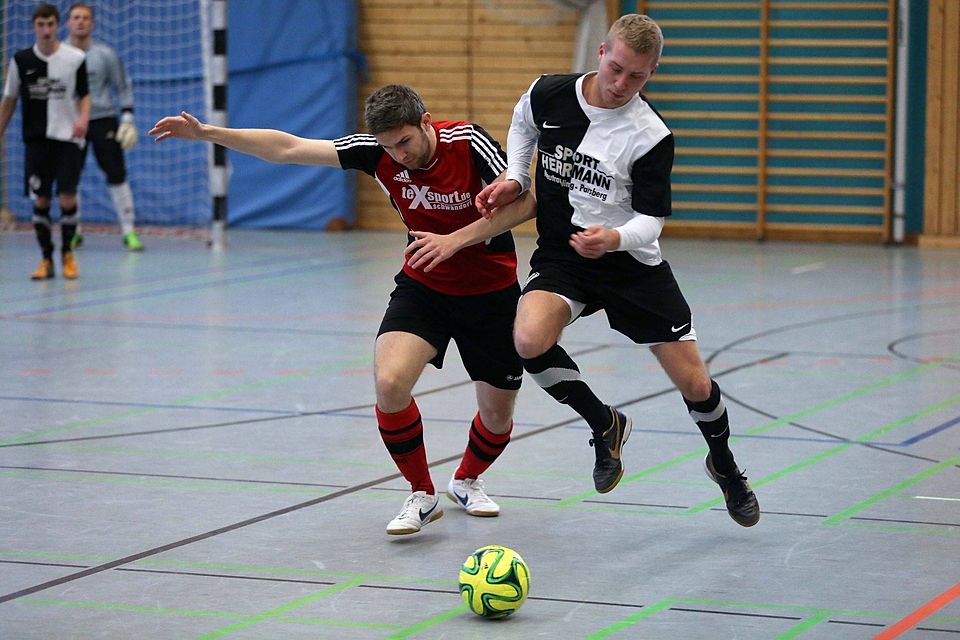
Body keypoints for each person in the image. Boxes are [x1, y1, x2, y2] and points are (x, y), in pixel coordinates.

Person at [150, 84, 535, 535]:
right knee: (390, 383)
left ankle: (467, 479)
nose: (400, 155)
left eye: (405, 142)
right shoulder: (377, 154)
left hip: (490, 292)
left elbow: (526, 203)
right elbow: (288, 148)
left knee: (497, 415)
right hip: (424, 287)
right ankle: (422, 492)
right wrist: (208, 133)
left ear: (425, 122)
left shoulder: (467, 142)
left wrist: (455, 241)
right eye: (389, 147)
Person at [475, 14, 760, 527]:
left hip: (631, 267)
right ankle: (605, 424)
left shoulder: (650, 135)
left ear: (652, 73)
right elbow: (523, 122)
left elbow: (652, 221)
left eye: (638, 77)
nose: (621, 84)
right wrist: (516, 177)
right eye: (617, 68)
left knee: (695, 385)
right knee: (527, 340)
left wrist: (615, 237)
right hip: (567, 257)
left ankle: (725, 465)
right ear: (602, 52)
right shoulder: (551, 93)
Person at [0, 3, 90, 280]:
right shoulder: (21, 60)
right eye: (41, 25)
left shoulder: (74, 58)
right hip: (36, 141)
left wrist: (83, 119)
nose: (46, 30)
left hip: (67, 140)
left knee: (66, 196)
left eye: (51, 24)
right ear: (34, 27)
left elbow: (85, 94)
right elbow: (9, 100)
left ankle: (68, 255)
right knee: (40, 199)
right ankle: (46, 259)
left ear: (57, 25)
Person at [66, 2, 143, 251]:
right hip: (69, 122)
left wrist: (128, 118)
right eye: (76, 17)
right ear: (68, 23)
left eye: (85, 18)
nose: (80, 22)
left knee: (116, 173)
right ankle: (73, 231)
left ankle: (129, 231)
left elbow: (122, 86)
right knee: (69, 177)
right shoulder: (58, 55)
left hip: (103, 120)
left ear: (93, 23)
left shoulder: (105, 54)